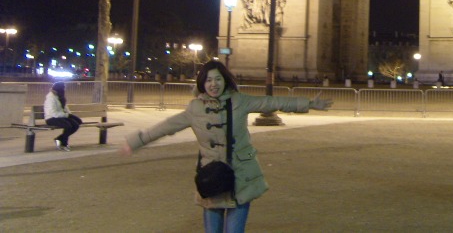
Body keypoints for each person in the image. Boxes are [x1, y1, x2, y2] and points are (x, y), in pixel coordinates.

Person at [120, 60, 333, 233]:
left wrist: (308, 103)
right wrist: (136, 141)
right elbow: (167, 127)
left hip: (240, 177)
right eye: (209, 80)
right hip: (212, 179)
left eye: (218, 79)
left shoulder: (240, 100)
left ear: (225, 81)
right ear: (202, 83)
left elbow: (271, 102)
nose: (213, 84)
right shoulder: (195, 108)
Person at [44, 81, 83, 151]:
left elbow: (65, 108)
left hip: (61, 116)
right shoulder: (51, 98)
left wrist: (70, 115)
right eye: (63, 89)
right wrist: (67, 115)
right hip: (51, 118)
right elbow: (53, 113)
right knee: (68, 125)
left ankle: (59, 139)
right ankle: (64, 143)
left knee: (76, 124)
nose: (64, 90)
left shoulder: (60, 97)